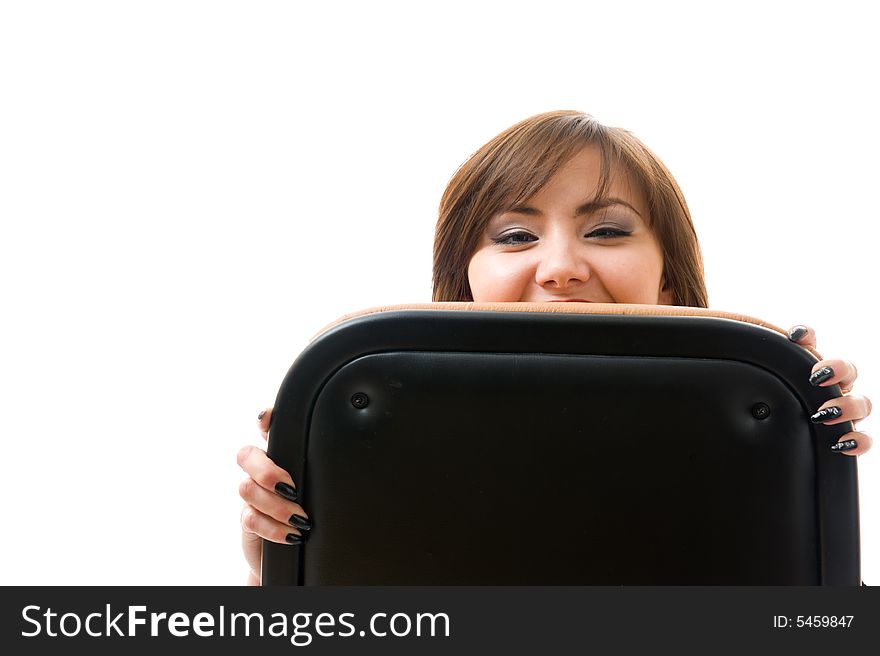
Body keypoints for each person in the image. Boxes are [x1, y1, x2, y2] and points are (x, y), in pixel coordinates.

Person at [236, 110, 873, 585]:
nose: (559, 268)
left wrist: (811, 467)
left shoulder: (760, 410)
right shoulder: (369, 423)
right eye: (514, 236)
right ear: (463, 284)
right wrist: (283, 568)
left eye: (605, 230)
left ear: (671, 281)